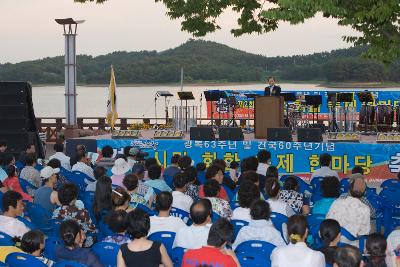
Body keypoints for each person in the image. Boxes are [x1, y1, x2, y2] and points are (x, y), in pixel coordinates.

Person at [327, 176, 371, 245]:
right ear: (364, 193)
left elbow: (327, 222)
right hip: (353, 249)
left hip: (334, 244)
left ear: (349, 190)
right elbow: (363, 233)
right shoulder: (365, 209)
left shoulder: (337, 202)